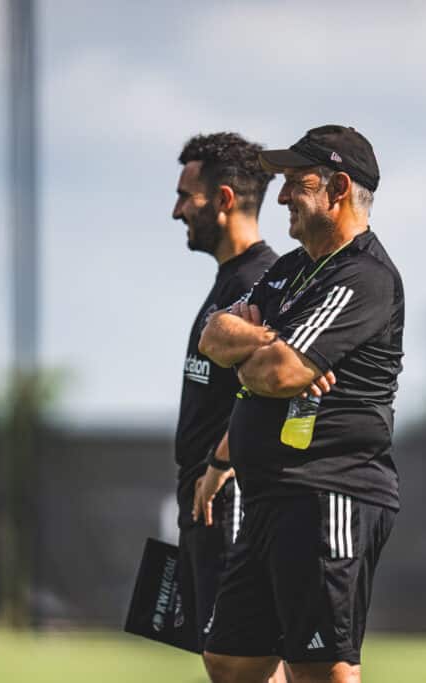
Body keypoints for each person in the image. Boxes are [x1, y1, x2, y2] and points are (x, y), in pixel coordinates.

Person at [198, 125, 404, 683]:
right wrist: (268, 340)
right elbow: (214, 336)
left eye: (297, 182)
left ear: (338, 188)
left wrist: (270, 352)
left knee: (321, 669)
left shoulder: (363, 275)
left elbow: (279, 374)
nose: (283, 196)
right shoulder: (291, 270)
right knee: (230, 659)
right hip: (272, 497)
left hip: (326, 493)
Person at [170, 132, 278, 660]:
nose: (175, 212)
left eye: (185, 196)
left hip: (229, 498)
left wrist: (220, 463)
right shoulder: (229, 281)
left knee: (238, 662)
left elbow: (277, 390)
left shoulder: (264, 282)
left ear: (224, 200)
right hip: (204, 500)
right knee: (231, 666)